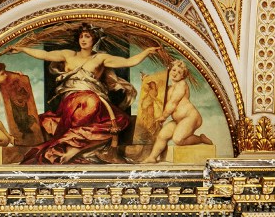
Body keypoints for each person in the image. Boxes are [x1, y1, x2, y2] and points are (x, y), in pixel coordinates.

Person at [11, 24, 162, 164]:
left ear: (94, 39)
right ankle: (75, 147)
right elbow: (44, 54)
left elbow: (128, 62)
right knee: (90, 103)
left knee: (120, 121)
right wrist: (24, 49)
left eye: (87, 36)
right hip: (72, 101)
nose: (83, 39)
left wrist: (146, 52)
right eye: (81, 36)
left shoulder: (101, 58)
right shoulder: (68, 55)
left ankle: (76, 150)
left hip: (94, 101)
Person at [144, 60, 213, 163]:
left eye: (179, 72)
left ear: (183, 76)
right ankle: (152, 157)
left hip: (190, 117)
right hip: (178, 120)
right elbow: (156, 92)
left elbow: (173, 103)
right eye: (174, 70)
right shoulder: (169, 88)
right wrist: (146, 80)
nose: (175, 73)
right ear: (170, 70)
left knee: (178, 139)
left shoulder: (182, 84)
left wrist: (163, 116)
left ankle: (201, 139)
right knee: (162, 135)